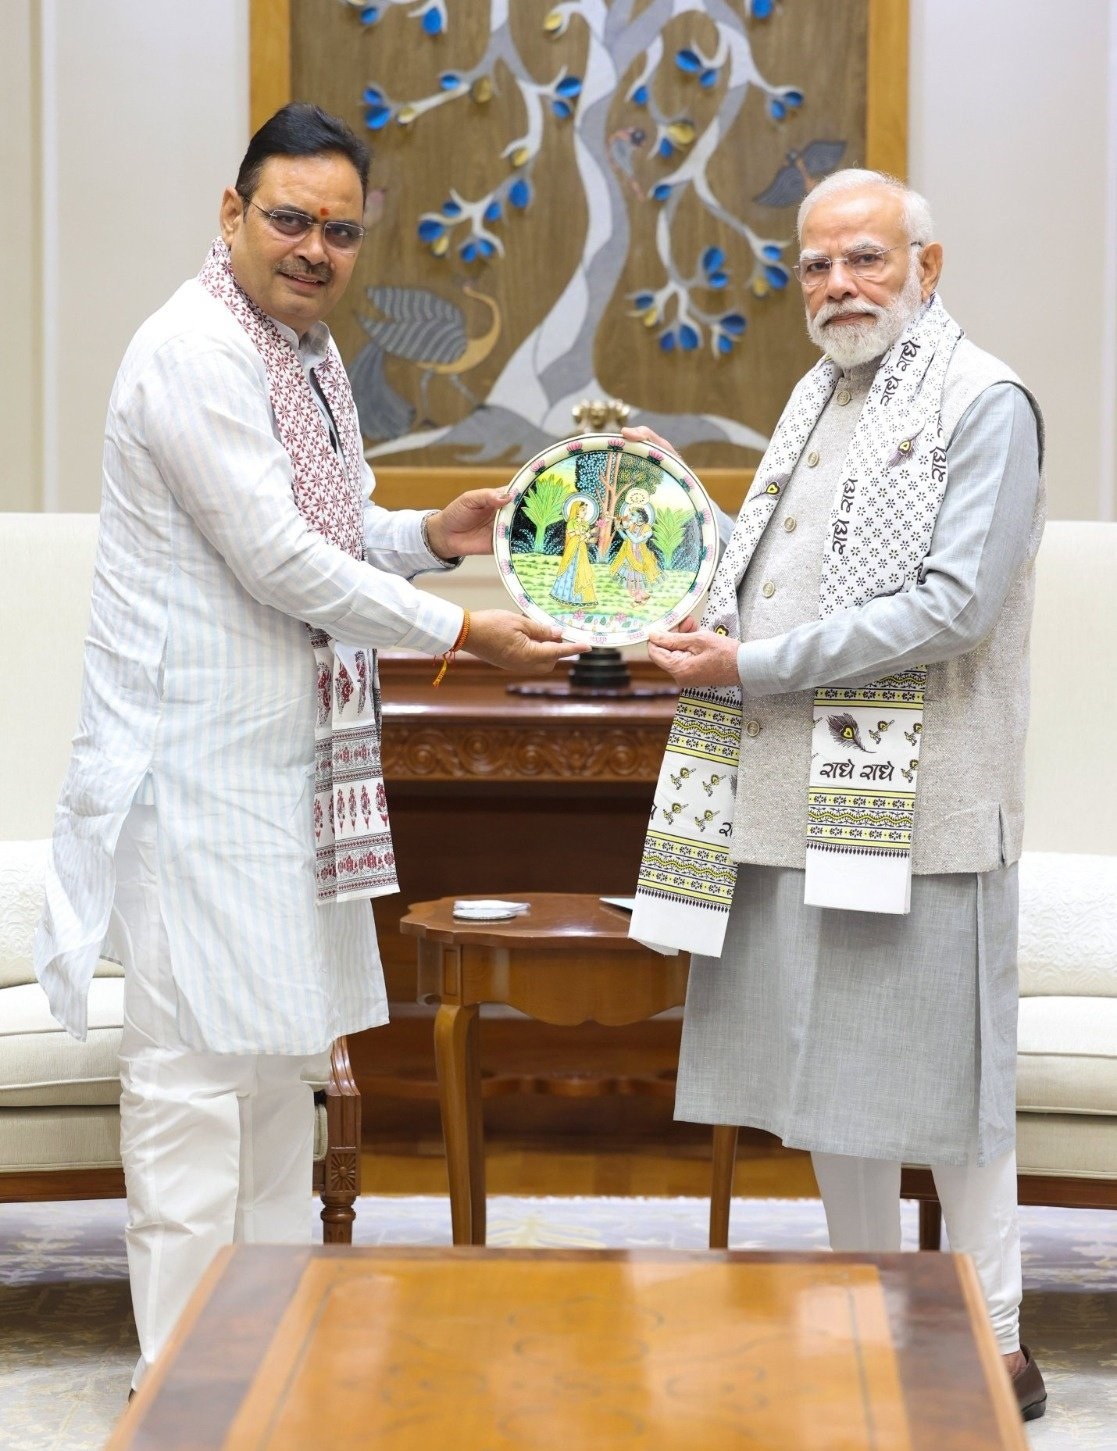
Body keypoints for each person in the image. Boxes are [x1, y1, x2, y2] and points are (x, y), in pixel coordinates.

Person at [33, 103, 579, 1393]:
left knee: (283, 1066)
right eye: (289, 220)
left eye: (338, 230)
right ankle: (181, 1379)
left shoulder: (306, 354)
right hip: (194, 770)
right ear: (232, 214)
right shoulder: (193, 351)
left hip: (289, 771)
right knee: (192, 1081)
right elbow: (275, 557)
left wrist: (428, 537)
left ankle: (267, 1351)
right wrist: (464, 627)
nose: (314, 249)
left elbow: (326, 530)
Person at [627, 169, 1047, 1420]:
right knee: (834, 1077)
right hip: (795, 801)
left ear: (928, 266)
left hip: (928, 817)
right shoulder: (819, 395)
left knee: (953, 1090)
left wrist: (745, 666)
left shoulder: (984, 402)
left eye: (865, 257)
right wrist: (678, 499)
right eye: (814, 265)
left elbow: (950, 607)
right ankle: (868, 1302)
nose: (837, 285)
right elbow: (778, 579)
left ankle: (997, 1340)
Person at [550, 494, 599, 605]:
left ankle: (583, 598)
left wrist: (588, 536)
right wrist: (584, 534)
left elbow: (585, 538)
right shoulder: (571, 522)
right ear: (576, 511)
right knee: (571, 570)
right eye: (583, 510)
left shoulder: (586, 524)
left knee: (582, 570)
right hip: (573, 549)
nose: (585, 512)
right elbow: (572, 535)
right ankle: (566, 596)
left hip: (582, 550)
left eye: (586, 510)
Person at [610, 501, 660, 604]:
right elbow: (627, 540)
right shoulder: (632, 526)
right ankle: (637, 596)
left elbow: (636, 540)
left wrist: (626, 529)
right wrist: (619, 530)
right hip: (629, 554)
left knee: (639, 576)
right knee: (630, 577)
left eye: (632, 514)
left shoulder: (647, 529)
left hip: (640, 555)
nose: (629, 516)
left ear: (640, 517)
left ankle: (640, 595)